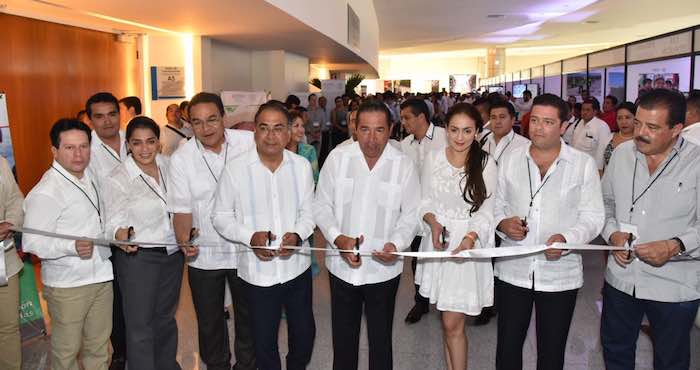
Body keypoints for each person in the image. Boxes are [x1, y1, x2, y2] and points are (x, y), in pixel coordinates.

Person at [494, 94, 605, 370]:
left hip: (560, 274)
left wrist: (568, 239)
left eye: (547, 122)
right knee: (507, 347)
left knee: (552, 352)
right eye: (534, 120)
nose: (538, 128)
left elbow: (593, 216)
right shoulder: (511, 159)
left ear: (564, 126)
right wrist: (502, 223)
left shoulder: (582, 164)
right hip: (513, 270)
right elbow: (495, 203)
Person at [313, 101, 420, 370]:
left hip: (383, 271)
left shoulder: (403, 165)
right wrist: (338, 239)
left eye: (379, 130)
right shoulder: (338, 158)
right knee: (343, 341)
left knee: (380, 341)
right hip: (341, 269)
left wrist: (395, 243)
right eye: (365, 130)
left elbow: (411, 214)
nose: (371, 139)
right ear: (354, 128)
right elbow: (321, 205)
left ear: (391, 129)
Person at [600, 89, 700, 370]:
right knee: (616, 351)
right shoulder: (621, 155)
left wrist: (675, 245)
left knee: (671, 360)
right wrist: (612, 234)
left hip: (674, 284)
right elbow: (605, 204)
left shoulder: (696, 162)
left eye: (652, 127)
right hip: (621, 278)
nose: (640, 132)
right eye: (639, 122)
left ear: (677, 129)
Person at [212, 102, 316, 370]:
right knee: (263, 342)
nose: (271, 136)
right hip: (257, 275)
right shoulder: (235, 169)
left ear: (289, 133)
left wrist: (298, 235)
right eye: (264, 128)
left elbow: (309, 212)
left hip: (296, 269)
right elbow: (221, 217)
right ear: (255, 132)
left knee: (304, 336)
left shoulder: (301, 166)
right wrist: (250, 237)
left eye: (278, 128)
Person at [167, 92, 256, 370]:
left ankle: (247, 365)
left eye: (212, 120)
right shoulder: (182, 158)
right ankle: (217, 365)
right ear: (189, 123)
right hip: (204, 254)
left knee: (249, 316)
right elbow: (181, 208)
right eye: (197, 122)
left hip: (245, 249)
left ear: (223, 117)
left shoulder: (247, 143)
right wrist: (184, 239)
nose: (206, 129)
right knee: (209, 320)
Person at [23, 119, 114, 370]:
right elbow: (32, 242)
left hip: (101, 276)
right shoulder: (46, 191)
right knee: (66, 353)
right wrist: (70, 247)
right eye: (70, 148)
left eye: (84, 147)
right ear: (54, 151)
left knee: (100, 348)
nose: (78, 154)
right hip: (68, 286)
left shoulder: (90, 177)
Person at [414, 103, 497, 370]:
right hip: (439, 242)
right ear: (445, 129)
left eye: (467, 131)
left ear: (477, 131)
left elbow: (487, 210)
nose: (460, 137)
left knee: (452, 323)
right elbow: (424, 200)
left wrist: (470, 238)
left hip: (466, 248)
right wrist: (433, 223)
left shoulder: (486, 162)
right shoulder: (434, 158)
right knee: (448, 322)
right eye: (454, 130)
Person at [102, 117, 184, 370]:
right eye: (137, 143)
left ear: (159, 143)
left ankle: (167, 364)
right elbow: (111, 223)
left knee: (166, 318)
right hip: (139, 258)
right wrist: (121, 234)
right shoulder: (118, 177)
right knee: (140, 324)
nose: (144, 148)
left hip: (173, 254)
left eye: (150, 141)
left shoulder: (170, 166)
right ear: (128, 145)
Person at [85, 92, 128, 370]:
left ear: (119, 113)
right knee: (115, 302)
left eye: (112, 113)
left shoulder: (136, 139)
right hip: (108, 237)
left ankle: (146, 350)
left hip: (143, 233)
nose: (107, 121)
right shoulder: (85, 149)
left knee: (142, 300)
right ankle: (121, 352)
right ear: (90, 119)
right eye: (99, 116)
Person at [399, 98, 447, 324]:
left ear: (421, 117)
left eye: (407, 117)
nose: (404, 122)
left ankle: (448, 301)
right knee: (418, 257)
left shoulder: (444, 137)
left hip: (442, 211)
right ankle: (421, 302)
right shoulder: (405, 144)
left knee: (444, 257)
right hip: (417, 213)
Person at [0, 155, 24, 370]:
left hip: (4, 261)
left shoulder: (1, 163)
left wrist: (10, 222)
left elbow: (15, 200)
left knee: (8, 327)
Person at [570, 98, 612, 175]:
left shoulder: (602, 126)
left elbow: (602, 151)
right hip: (574, 165)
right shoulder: (578, 123)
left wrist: (599, 170)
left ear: (595, 111)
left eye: (588, 110)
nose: (584, 112)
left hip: (591, 169)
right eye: (583, 109)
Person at [483, 100, 530, 164]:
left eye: (502, 117)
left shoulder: (525, 146)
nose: (497, 121)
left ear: (513, 120)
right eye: (493, 117)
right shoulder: (483, 141)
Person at [601, 102, 636, 169]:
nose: (623, 122)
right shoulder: (609, 138)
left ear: (636, 119)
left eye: (627, 117)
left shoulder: (640, 142)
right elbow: (600, 166)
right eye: (619, 118)